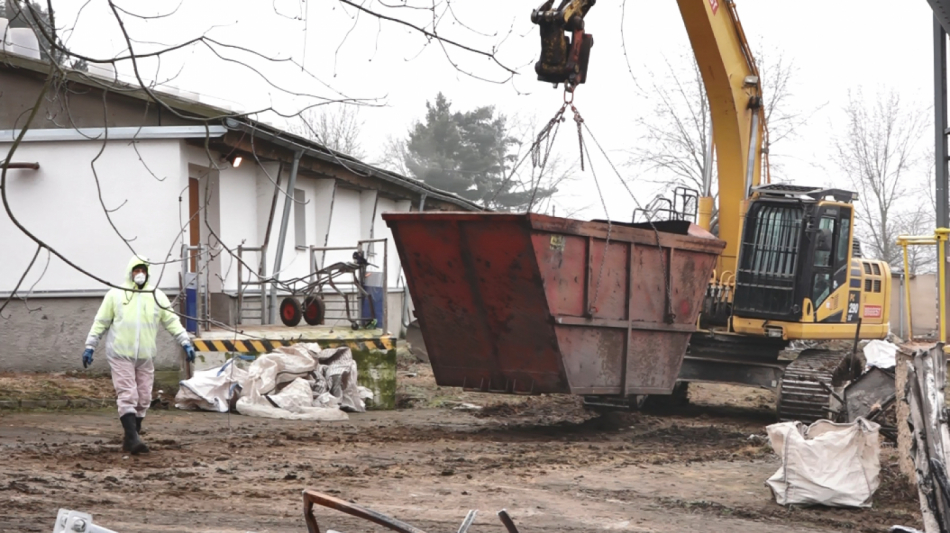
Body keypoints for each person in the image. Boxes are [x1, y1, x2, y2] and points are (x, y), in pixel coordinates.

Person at [82, 255, 196, 454]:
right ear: (130, 272)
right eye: (136, 270)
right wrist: (91, 345)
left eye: (143, 270)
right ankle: (134, 438)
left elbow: (171, 320)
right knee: (128, 394)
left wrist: (184, 341)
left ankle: (131, 437)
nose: (140, 274)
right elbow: (101, 321)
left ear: (148, 273)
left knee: (143, 398)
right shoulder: (116, 295)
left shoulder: (156, 296)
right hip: (120, 353)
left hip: (145, 355)